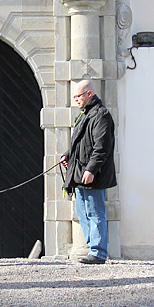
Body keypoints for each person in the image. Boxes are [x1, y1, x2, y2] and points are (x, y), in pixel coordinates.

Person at [61, 79, 116, 264]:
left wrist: (91, 169)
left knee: (94, 212)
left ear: (89, 94)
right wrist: (68, 155)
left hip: (93, 174)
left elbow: (101, 147)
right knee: (83, 212)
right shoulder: (85, 114)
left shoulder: (101, 115)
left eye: (78, 96)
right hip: (79, 172)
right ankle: (93, 247)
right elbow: (81, 143)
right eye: (74, 97)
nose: (76, 100)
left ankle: (99, 252)